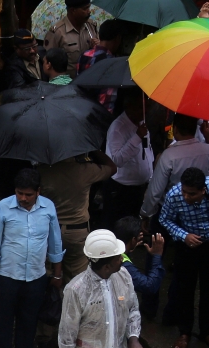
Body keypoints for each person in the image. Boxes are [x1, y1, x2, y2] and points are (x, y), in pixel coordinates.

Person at [0, 168, 63, 348]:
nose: (23, 198)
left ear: (38, 191)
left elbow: (55, 243)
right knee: (2, 322)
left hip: (36, 277)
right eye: (19, 193)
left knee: (29, 323)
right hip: (7, 276)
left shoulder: (48, 208)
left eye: (28, 194)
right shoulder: (3, 208)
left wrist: (57, 273)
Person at [58, 229, 143, 348]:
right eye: (118, 257)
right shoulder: (76, 290)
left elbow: (133, 309)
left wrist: (133, 337)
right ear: (107, 265)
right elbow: (66, 335)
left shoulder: (124, 277)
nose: (122, 259)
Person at [159, 168, 209, 348]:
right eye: (184, 192)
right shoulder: (174, 195)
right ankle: (184, 332)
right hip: (187, 248)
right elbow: (165, 219)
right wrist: (183, 235)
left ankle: (207, 332)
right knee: (185, 290)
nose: (186, 196)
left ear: (203, 190)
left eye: (192, 194)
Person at [39, 151, 117, 282]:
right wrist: (95, 151)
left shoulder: (43, 170)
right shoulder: (85, 170)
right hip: (76, 231)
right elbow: (112, 168)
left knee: (46, 273)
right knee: (77, 279)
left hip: (49, 229)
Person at [140, 114, 209, 225]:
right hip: (199, 211)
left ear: (175, 129)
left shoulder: (168, 155)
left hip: (172, 213)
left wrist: (145, 214)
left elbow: (155, 192)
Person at [104, 88, 153, 223]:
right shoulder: (117, 128)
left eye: (147, 107)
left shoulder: (142, 123)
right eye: (141, 108)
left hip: (139, 188)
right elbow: (117, 160)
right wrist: (137, 137)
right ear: (130, 107)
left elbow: (148, 151)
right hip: (122, 191)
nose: (145, 111)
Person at [114, 216, 166, 320]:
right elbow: (149, 286)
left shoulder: (113, 252)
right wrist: (157, 256)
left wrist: (129, 249)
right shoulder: (124, 266)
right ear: (133, 240)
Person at [43, 0, 95, 76]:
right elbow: (48, 62)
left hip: (89, 77)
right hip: (68, 80)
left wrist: (98, 47)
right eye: (85, 9)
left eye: (89, 8)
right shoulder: (58, 32)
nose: (89, 11)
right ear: (73, 10)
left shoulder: (91, 26)